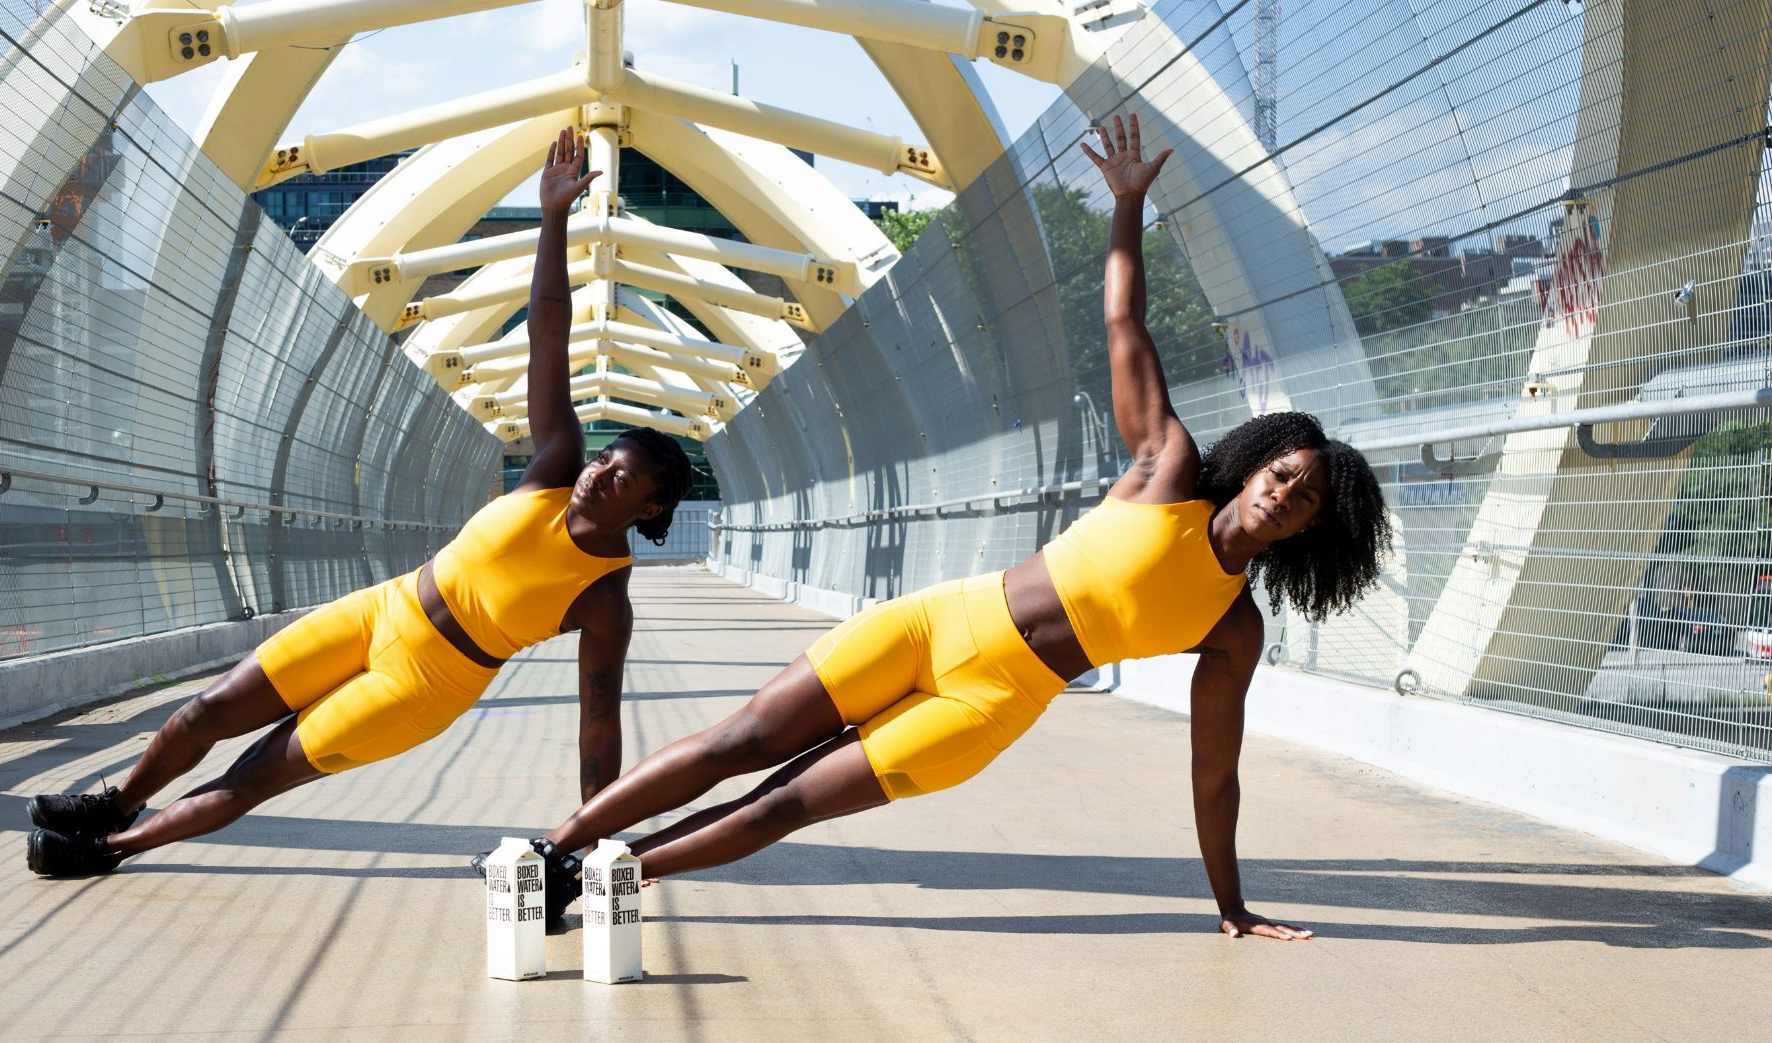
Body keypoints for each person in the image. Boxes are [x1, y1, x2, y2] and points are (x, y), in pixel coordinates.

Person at [507, 113, 1391, 940]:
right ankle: (553, 847)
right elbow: (1126, 323)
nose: (1287, 495)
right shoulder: (1165, 471)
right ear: (1258, 462)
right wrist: (1126, 206)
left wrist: (1230, 903)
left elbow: (1215, 774)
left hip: (989, 704)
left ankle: (594, 884)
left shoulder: (1234, 626)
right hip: (935, 623)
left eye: (1308, 500)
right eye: (1285, 475)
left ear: (1314, 530)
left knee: (781, 805)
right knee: (739, 743)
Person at [26, 128, 692, 876]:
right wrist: (553, 220)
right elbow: (546, 333)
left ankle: (108, 850)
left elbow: (597, 727)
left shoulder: (605, 598)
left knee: (252, 774)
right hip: (383, 609)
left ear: (648, 509)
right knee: (205, 711)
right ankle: (112, 806)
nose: (599, 472)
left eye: (622, 477)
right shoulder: (554, 466)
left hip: (421, 685)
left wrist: (588, 841)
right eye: (606, 457)